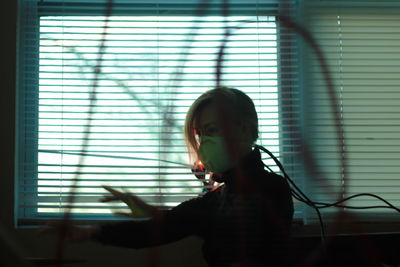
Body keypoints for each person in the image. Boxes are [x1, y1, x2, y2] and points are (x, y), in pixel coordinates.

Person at [55, 87, 294, 267]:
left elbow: (235, 229)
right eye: (200, 135)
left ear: (244, 129)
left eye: (212, 130)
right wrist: (93, 232)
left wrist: (162, 215)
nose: (204, 144)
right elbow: (163, 229)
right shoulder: (219, 195)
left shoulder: (271, 187)